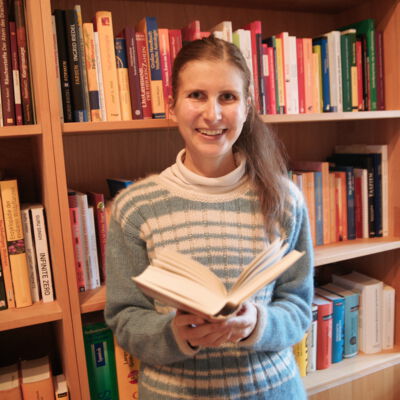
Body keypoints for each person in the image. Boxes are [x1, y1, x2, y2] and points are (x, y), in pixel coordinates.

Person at [105, 35, 314, 399]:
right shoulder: (134, 207)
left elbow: (298, 307)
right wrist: (175, 335)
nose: (213, 114)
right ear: (172, 106)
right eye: (196, 95)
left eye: (228, 97)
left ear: (247, 107)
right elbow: (124, 319)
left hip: (273, 390)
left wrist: (257, 323)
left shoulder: (286, 199)